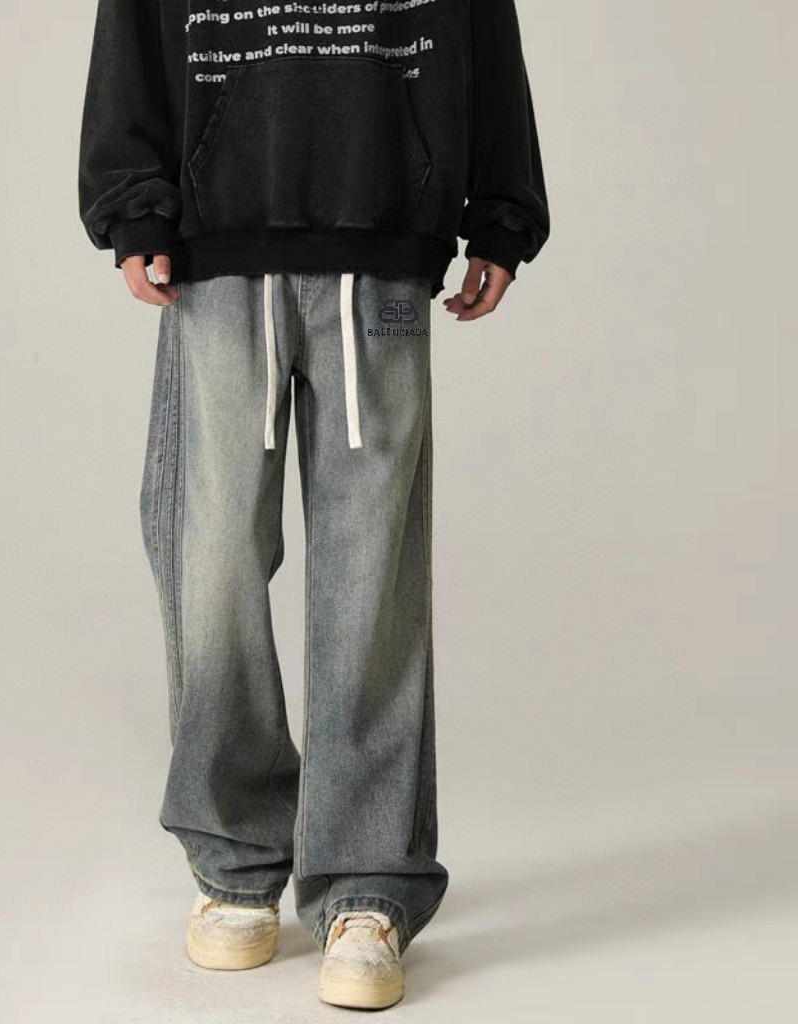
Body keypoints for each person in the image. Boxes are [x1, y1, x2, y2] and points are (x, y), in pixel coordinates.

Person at [78, 0, 549, 1009]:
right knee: (210, 565)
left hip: (380, 246)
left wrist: (502, 206)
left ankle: (367, 883)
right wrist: (131, 200)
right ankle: (234, 862)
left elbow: (483, 25)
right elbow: (132, 29)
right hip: (214, 256)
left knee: (372, 581)